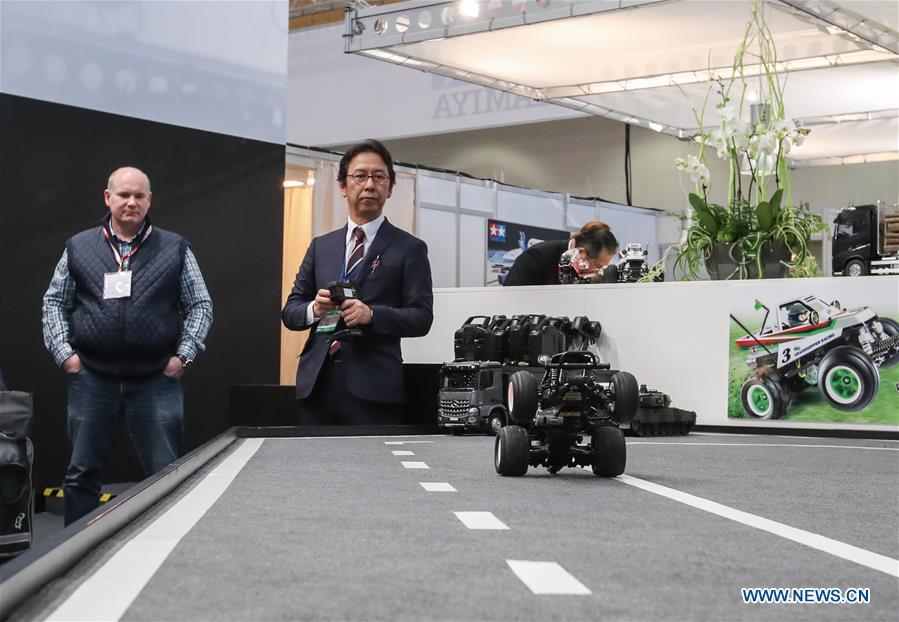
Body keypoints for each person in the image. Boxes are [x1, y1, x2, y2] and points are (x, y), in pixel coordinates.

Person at [41, 166, 213, 525]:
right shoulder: (79, 246)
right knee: (81, 475)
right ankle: (75, 554)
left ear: (150, 200)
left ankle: (165, 549)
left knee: (166, 475)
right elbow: (54, 302)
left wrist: (183, 356)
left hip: (155, 380)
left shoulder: (175, 247)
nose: (131, 202)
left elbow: (200, 305)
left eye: (139, 195)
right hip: (92, 379)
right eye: (123, 195)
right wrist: (66, 356)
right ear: (108, 198)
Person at [281, 140, 433, 425]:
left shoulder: (409, 248)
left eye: (379, 177)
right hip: (317, 385)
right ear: (342, 186)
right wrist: (315, 308)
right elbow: (291, 311)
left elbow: (421, 318)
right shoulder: (321, 246)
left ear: (390, 188)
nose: (369, 185)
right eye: (360, 176)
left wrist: (372, 315)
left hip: (374, 390)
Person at [503, 221, 619, 286]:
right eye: (597, 266)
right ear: (581, 253)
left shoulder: (584, 274)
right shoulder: (536, 258)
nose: (596, 272)